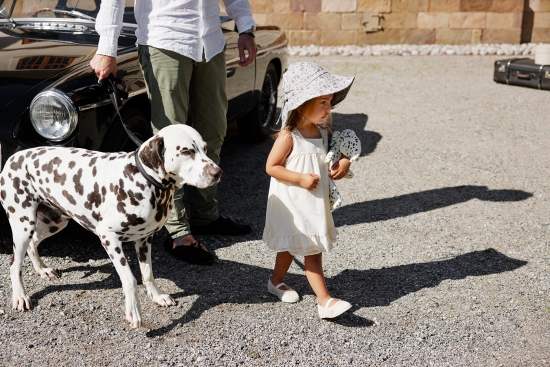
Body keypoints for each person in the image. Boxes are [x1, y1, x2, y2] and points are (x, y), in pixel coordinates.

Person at [90, 0, 257, 265]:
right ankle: (177, 231)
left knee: (212, 132)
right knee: (169, 143)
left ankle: (206, 216)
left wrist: (245, 27)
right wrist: (106, 49)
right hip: (165, 40)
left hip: (211, 41)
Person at [262, 62, 356, 319]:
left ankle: (275, 282)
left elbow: (336, 155)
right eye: (322, 102)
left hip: (313, 204)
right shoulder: (289, 136)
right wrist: (300, 178)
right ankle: (324, 301)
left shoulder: (323, 132)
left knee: (289, 249)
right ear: (302, 104)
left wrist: (344, 163)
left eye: (329, 102)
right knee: (311, 251)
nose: (329, 108)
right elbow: (271, 167)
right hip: (294, 203)